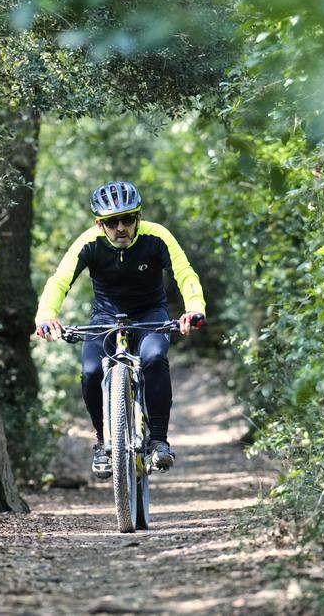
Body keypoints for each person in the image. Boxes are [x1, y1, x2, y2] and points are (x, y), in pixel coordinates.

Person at [33, 180, 206, 478]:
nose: (121, 227)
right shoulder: (88, 242)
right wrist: (46, 316)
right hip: (105, 317)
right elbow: (59, 281)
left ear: (138, 217)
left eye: (127, 219)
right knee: (90, 372)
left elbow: (184, 272)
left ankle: (159, 441)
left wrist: (193, 308)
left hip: (151, 313)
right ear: (100, 224)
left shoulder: (157, 236)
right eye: (112, 222)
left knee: (153, 358)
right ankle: (103, 442)